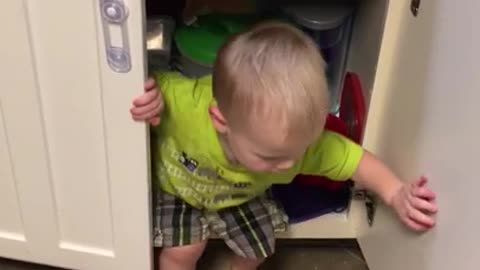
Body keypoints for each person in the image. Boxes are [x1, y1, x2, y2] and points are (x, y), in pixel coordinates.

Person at [131, 22, 438, 270]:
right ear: (221, 120)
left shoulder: (294, 148)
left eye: (297, 153)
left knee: (262, 247)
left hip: (239, 195)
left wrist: (396, 192)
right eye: (272, 156)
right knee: (184, 251)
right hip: (178, 188)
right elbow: (144, 83)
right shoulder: (187, 107)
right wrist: (149, 99)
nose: (289, 166)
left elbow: (355, 160)